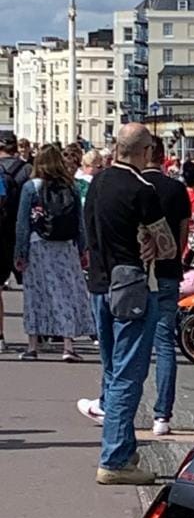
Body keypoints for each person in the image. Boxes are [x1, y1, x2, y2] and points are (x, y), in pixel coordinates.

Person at [81, 123, 177, 485]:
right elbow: (167, 246)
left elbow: (88, 233)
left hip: (100, 282)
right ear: (146, 151)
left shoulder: (98, 184)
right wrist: (151, 244)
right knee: (128, 373)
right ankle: (116, 458)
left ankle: (120, 443)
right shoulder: (142, 189)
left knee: (111, 369)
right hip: (132, 284)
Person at [13, 143, 91, 362]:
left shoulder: (31, 187)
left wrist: (20, 253)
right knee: (66, 294)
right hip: (66, 247)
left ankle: (32, 346)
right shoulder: (71, 186)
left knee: (35, 295)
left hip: (38, 245)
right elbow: (80, 221)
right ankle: (68, 345)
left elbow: (22, 224)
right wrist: (82, 248)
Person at [142, 136, 191, 437]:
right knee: (165, 344)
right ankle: (163, 414)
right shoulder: (176, 189)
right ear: (162, 156)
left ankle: (118, 406)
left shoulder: (134, 186)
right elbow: (184, 235)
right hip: (169, 270)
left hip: (137, 271)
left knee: (133, 342)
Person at [0, 130, 31, 353]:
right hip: (25, 233)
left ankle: (1, 335)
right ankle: (39, 334)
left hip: (1, 233)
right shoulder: (28, 170)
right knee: (32, 286)